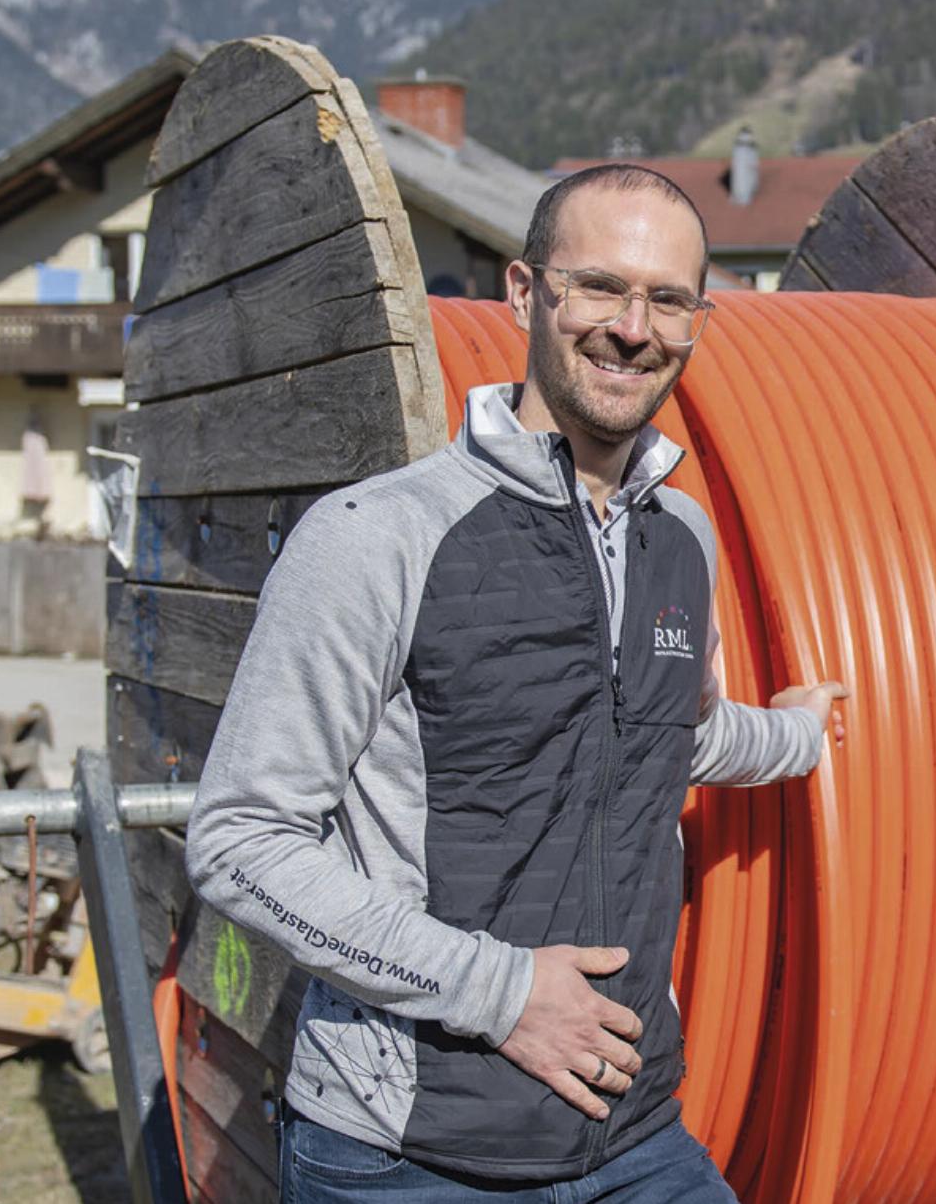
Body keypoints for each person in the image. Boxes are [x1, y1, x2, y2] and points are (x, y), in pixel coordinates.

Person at [185, 164, 848, 1202]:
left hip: (632, 1133)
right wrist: (499, 992)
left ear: (697, 323)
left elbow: (670, 731)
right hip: (410, 1154)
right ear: (525, 291)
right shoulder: (379, 537)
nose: (633, 327)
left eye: (667, 299)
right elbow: (239, 839)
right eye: (599, 286)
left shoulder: (681, 537)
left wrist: (799, 735)